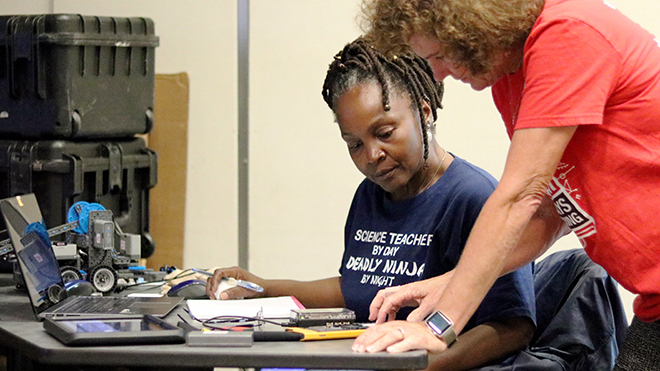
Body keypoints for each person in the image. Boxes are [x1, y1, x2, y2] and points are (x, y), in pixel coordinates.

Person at [354, 0, 660, 369]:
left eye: (440, 55)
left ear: (470, 25)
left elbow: (519, 198)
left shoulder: (569, 33)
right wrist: (450, 284)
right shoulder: (513, 76)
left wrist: (439, 327)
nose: (437, 74)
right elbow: (552, 208)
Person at [206, 37, 537, 371]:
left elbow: (514, 327)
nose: (372, 156)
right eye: (354, 144)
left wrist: (425, 366)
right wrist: (264, 289)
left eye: (385, 132)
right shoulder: (371, 194)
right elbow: (357, 286)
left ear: (423, 113)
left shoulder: (472, 197)